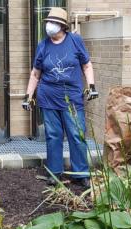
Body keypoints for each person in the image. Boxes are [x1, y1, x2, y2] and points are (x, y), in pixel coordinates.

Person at [22, 7, 98, 188]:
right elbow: (35, 73)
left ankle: (81, 173)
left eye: (53, 22)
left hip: (71, 97)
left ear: (62, 26)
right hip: (48, 96)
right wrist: (28, 96)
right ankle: (54, 173)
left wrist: (92, 86)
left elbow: (86, 65)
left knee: (77, 134)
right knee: (53, 135)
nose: (49, 26)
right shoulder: (43, 45)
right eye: (49, 22)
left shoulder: (75, 41)